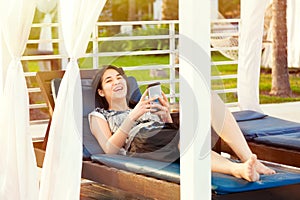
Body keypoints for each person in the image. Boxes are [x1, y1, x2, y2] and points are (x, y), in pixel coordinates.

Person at [89, 65, 275, 182]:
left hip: (162, 135)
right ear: (101, 92)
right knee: (183, 139)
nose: (117, 81)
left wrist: (166, 115)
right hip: (140, 141)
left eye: (119, 77)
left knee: (209, 98)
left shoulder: (140, 106)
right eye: (109, 80)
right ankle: (237, 169)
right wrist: (132, 117)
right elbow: (109, 149)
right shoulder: (98, 115)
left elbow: (168, 134)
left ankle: (249, 159)